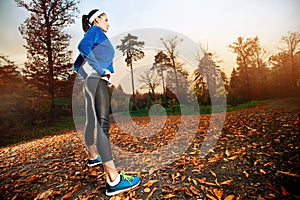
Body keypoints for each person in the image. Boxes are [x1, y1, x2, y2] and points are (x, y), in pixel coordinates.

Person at [73, 9, 140, 196]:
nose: (108, 23)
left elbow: (77, 65)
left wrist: (90, 76)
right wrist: (100, 70)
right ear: (96, 21)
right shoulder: (95, 32)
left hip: (91, 82)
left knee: (93, 121)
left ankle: (93, 156)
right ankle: (113, 179)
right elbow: (82, 47)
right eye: (106, 20)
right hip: (97, 81)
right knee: (103, 125)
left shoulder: (95, 36)